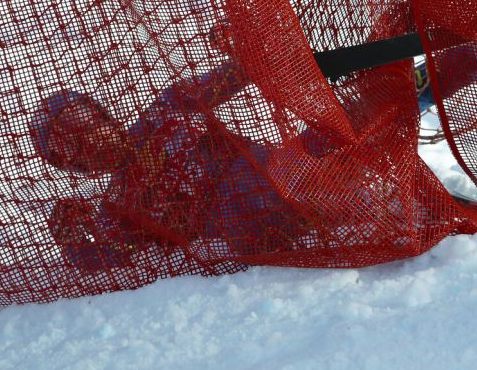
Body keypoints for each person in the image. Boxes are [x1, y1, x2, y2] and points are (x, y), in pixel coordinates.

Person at [30, 61, 305, 271]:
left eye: (81, 120)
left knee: (298, 156)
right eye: (69, 146)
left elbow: (233, 75)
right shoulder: (116, 208)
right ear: (72, 165)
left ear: (100, 113)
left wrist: (240, 46)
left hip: (283, 172)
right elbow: (105, 259)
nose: (89, 139)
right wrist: (70, 238)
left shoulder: (165, 108)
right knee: (239, 210)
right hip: (253, 229)